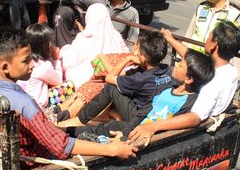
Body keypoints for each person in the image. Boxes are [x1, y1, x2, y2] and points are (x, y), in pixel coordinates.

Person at [0, 28, 137, 163]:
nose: (32, 65)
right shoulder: (24, 104)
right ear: (5, 67)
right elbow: (61, 146)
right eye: (26, 60)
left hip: (1, 152)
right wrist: (112, 150)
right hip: (29, 161)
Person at [129, 21, 240, 146]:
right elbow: (192, 58)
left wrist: (153, 126)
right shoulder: (230, 71)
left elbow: (195, 117)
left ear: (214, 44)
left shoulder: (211, 83)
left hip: (179, 119)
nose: (206, 40)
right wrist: (170, 39)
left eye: (209, 37)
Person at [69, 46, 214, 139]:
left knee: (108, 128)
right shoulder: (169, 87)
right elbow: (144, 111)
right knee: (107, 128)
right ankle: (68, 131)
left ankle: (71, 131)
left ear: (189, 79)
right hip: (138, 125)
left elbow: (169, 128)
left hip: (147, 135)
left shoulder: (188, 102)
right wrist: (126, 132)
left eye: (180, 65)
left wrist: (126, 136)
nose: (175, 65)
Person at [60, 30, 172, 128]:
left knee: (110, 89)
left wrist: (127, 58)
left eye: (136, 45)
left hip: (139, 117)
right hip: (152, 112)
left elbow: (109, 78)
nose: (134, 48)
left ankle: (80, 120)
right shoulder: (167, 69)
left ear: (141, 56)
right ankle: (107, 114)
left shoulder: (139, 79)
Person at [185, 0, 240, 76]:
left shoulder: (236, 14)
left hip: (216, 69)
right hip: (194, 62)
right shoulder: (201, 8)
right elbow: (189, 34)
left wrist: (238, 76)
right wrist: (180, 59)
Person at [20, 23, 84, 122]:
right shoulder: (42, 65)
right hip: (39, 109)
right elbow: (58, 80)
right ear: (44, 45)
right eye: (50, 42)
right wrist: (56, 59)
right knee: (68, 85)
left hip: (26, 105)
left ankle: (62, 108)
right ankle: (67, 113)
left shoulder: (24, 60)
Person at [54, 0, 140, 44]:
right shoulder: (100, 2)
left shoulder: (132, 13)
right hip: (93, 48)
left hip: (115, 52)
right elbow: (83, 0)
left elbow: (132, 40)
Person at [59, 3, 129, 88]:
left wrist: (64, 50)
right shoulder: (116, 35)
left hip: (84, 84)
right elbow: (125, 54)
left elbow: (69, 60)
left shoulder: (83, 37)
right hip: (112, 81)